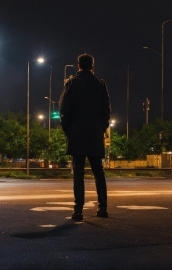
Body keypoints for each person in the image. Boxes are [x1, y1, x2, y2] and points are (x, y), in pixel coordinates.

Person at [59, 53, 111, 221]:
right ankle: (102, 207)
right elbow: (106, 111)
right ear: (92, 66)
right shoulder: (100, 85)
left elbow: (64, 110)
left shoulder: (72, 84)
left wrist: (68, 129)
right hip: (95, 133)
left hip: (77, 134)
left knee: (78, 173)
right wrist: (101, 127)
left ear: (78, 66)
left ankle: (78, 210)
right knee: (98, 171)